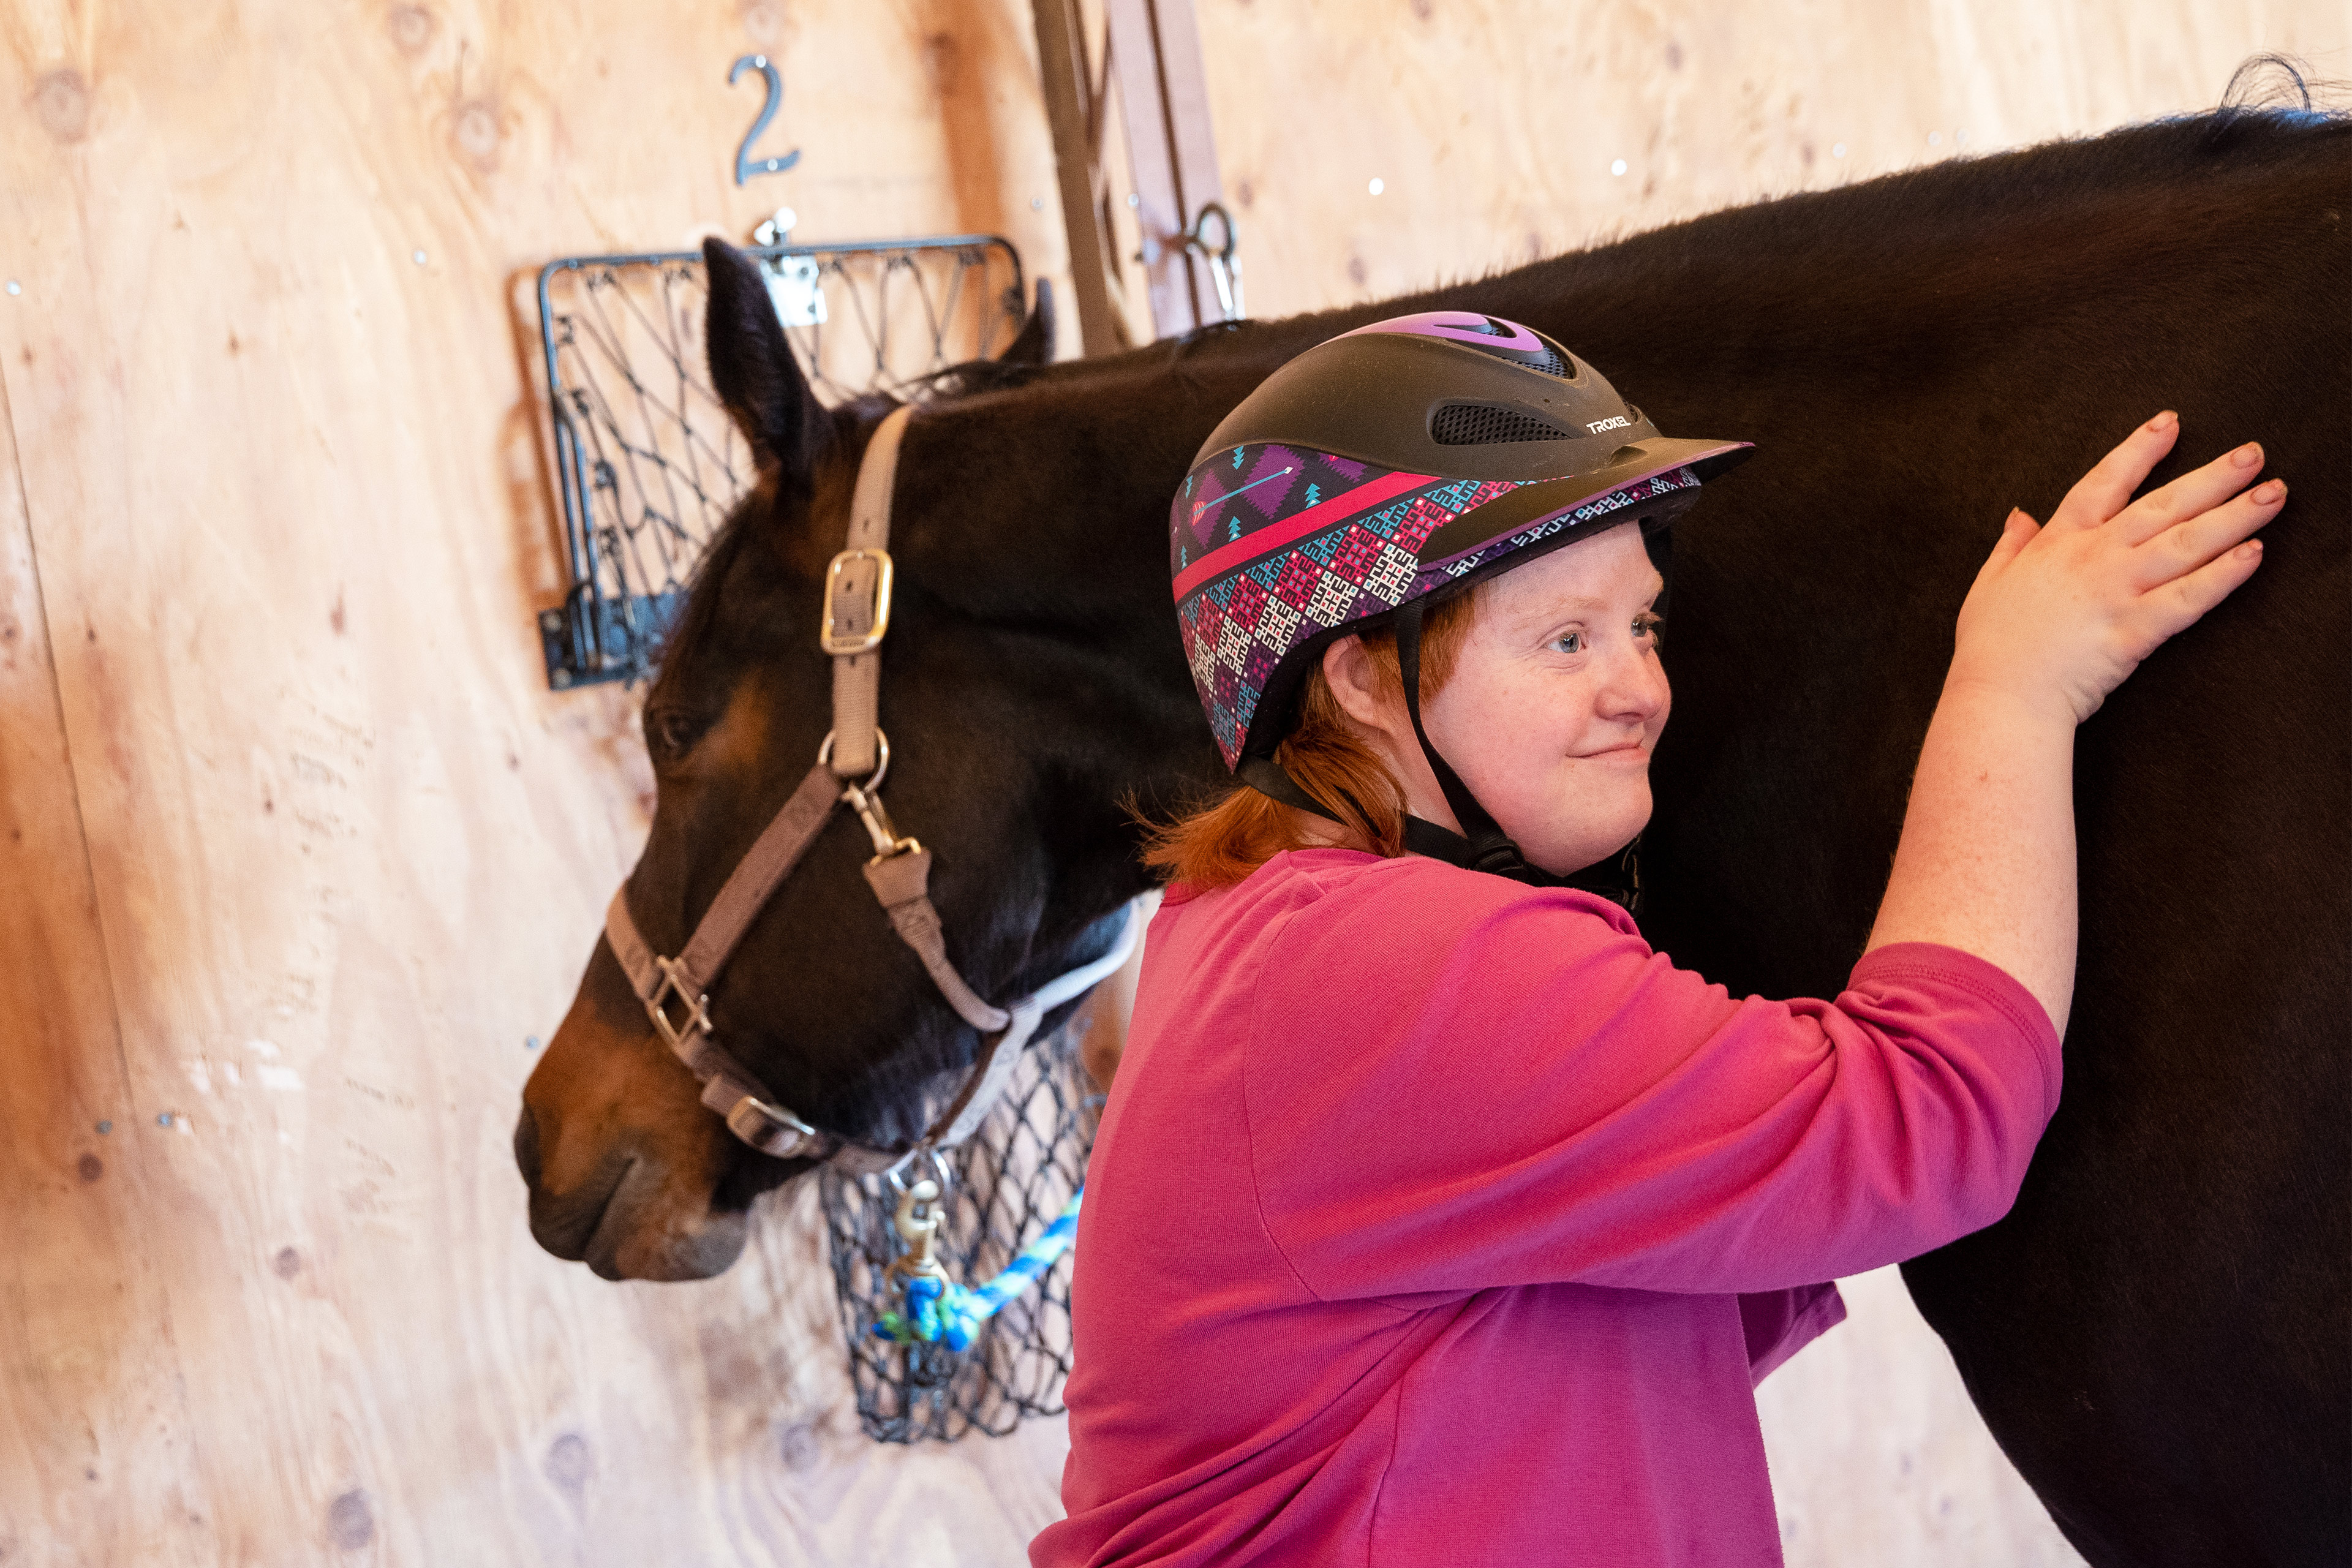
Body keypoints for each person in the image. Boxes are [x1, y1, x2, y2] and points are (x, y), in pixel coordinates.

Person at [1030, 313, 2281, 1568]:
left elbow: (1624, 1310)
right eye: (1567, 638)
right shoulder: (1381, 959)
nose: (1641, 686)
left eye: (1644, 625)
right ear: (1359, 677)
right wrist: (2017, 687)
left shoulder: (1254, 929)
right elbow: (1923, 1119)